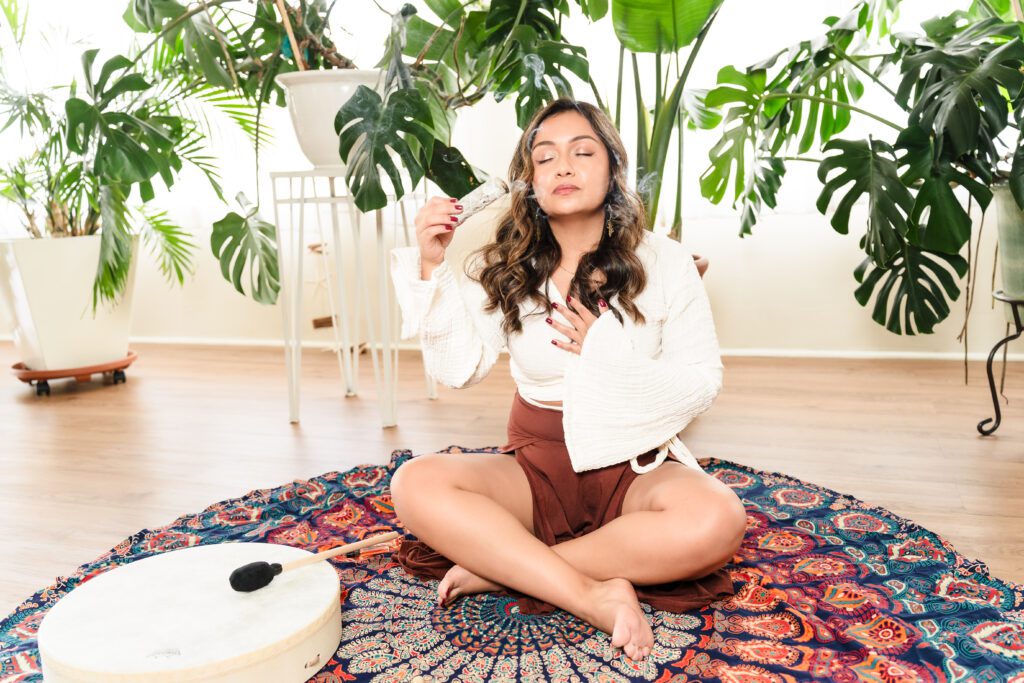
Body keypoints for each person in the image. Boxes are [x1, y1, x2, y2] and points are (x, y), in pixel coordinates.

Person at [387, 97, 747, 664]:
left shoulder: (667, 262)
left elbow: (702, 381)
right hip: (538, 467)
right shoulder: (505, 267)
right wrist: (434, 266)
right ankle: (589, 592)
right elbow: (458, 369)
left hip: (635, 467)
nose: (564, 166)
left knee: (719, 517)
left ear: (612, 168)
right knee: (413, 483)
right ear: (529, 182)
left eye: (583, 152)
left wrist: (605, 354)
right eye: (545, 157)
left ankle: (506, 567)